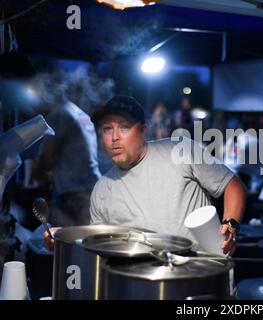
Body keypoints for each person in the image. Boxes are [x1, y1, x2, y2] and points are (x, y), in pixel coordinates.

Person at [45, 95, 246, 255]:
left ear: (143, 131)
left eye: (124, 127)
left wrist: (230, 224)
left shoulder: (180, 150)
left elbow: (232, 185)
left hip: (203, 274)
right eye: (107, 129)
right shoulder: (102, 189)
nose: (114, 138)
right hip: (146, 285)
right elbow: (100, 244)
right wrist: (65, 238)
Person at [32, 72, 101, 226]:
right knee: (88, 241)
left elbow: (47, 157)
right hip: (91, 188)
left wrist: (34, 175)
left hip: (73, 192)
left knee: (67, 243)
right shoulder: (78, 112)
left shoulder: (58, 115)